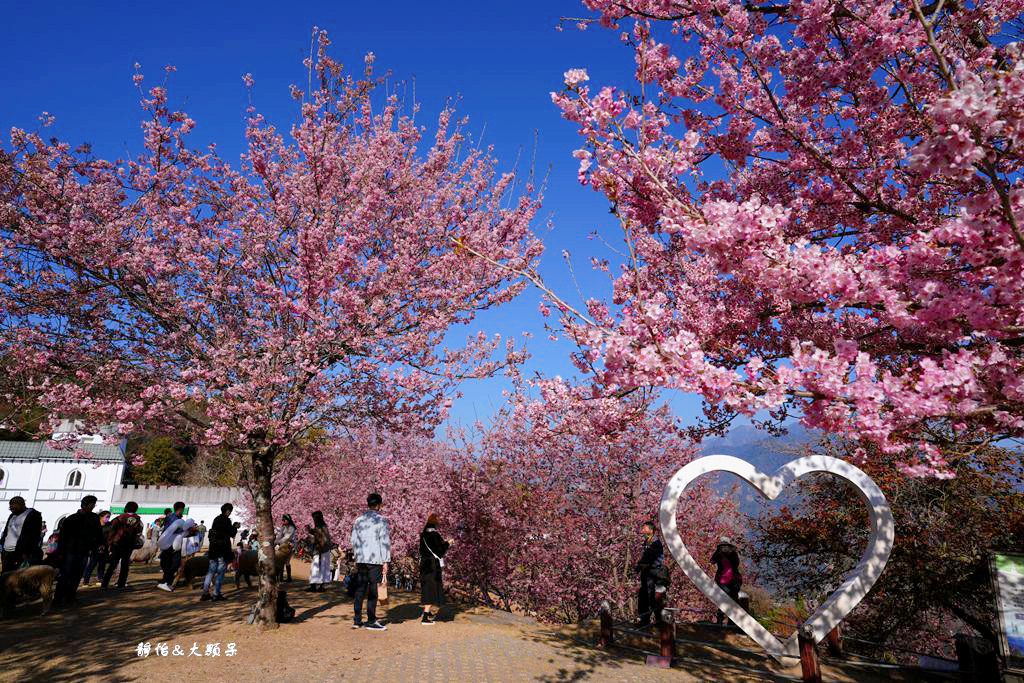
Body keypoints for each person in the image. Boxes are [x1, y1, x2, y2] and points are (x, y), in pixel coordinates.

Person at [350, 492, 391, 631]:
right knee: (373, 590)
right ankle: (371, 620)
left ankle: (356, 620)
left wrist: (357, 556)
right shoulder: (381, 520)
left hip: (361, 559)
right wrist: (386, 561)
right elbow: (384, 541)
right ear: (379, 505)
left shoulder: (358, 520)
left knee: (360, 589)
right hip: (375, 559)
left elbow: (354, 540)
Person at [54, 495, 103, 606]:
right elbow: (63, 537)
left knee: (77, 575)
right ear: (85, 504)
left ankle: (70, 597)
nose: (93, 506)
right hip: (70, 551)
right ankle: (58, 599)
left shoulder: (94, 518)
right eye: (91, 504)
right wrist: (60, 552)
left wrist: (100, 544)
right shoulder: (71, 519)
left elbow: (98, 533)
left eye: (94, 504)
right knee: (65, 575)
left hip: (84, 551)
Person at [200, 503, 237, 602]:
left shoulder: (216, 519)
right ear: (228, 511)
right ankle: (216, 594)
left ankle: (205, 593)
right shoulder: (226, 520)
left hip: (213, 549)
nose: (230, 513)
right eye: (230, 511)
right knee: (220, 572)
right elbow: (231, 533)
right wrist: (234, 526)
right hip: (222, 549)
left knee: (210, 572)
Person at [102, 501, 143, 590]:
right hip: (129, 544)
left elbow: (112, 530)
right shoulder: (138, 519)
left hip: (118, 543)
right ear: (136, 509)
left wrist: (109, 542)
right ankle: (121, 584)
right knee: (125, 565)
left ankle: (104, 584)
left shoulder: (120, 518)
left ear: (126, 508)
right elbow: (139, 531)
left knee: (113, 564)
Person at [419, 513, 450, 625]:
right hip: (432, 565)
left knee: (426, 587)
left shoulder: (423, 534)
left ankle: (427, 612)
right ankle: (426, 617)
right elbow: (440, 551)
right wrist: (448, 543)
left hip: (424, 563)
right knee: (431, 589)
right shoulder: (435, 535)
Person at [156, 502, 194, 592]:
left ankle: (166, 580)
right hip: (172, 544)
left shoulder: (171, 517)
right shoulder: (174, 518)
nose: (183, 510)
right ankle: (166, 581)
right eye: (183, 509)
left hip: (170, 544)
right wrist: (188, 529)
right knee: (174, 563)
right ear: (180, 509)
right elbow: (176, 529)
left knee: (168, 562)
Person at [1, 496, 44, 573]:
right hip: (6, 552)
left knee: (17, 577)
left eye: (14, 508)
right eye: (10, 509)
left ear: (21, 504)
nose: (12, 511)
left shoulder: (33, 515)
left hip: (19, 552)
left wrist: (27, 551)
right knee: (5, 575)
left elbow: (33, 535)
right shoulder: (12, 515)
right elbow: (7, 531)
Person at [635, 521, 664, 628]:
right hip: (646, 574)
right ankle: (645, 619)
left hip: (653, 574)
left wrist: (644, 565)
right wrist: (640, 566)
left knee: (652, 596)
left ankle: (658, 620)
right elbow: (644, 558)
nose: (642, 531)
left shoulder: (655, 543)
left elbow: (654, 559)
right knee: (643, 596)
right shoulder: (647, 542)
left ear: (651, 531)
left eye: (645, 528)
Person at [711, 536, 743, 626]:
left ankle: (732, 623)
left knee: (733, 600)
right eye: (722, 546)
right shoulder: (718, 553)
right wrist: (718, 552)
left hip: (734, 581)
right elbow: (712, 561)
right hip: (722, 580)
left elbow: (736, 563)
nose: (724, 548)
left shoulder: (733, 553)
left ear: (729, 546)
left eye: (726, 546)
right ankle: (719, 622)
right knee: (723, 600)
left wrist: (730, 553)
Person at [82, 510, 112, 585]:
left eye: (109, 517)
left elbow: (110, 536)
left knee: (102, 565)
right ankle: (86, 581)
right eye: (106, 517)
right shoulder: (95, 525)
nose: (108, 519)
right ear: (101, 517)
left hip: (105, 547)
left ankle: (100, 579)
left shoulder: (109, 525)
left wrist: (108, 546)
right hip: (95, 548)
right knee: (92, 564)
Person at [306, 511, 332, 593]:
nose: (313, 520)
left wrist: (318, 544)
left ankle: (316, 586)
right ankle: (319, 586)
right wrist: (310, 531)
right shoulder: (322, 527)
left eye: (314, 518)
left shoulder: (322, 527)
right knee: (320, 568)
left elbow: (322, 539)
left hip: (321, 550)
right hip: (322, 550)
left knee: (317, 567)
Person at [274, 514, 297, 582]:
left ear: (288, 520)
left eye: (284, 520)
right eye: (282, 520)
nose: (283, 521)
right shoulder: (283, 527)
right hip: (282, 545)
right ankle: (280, 577)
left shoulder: (291, 527)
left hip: (290, 545)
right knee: (279, 560)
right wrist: (275, 542)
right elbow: (279, 535)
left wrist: (279, 542)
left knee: (287, 561)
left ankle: (289, 577)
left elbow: (288, 537)